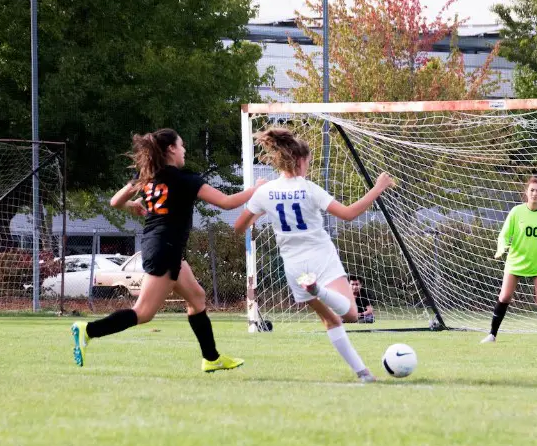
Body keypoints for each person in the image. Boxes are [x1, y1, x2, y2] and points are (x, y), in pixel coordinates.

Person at [70, 128, 265, 372]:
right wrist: (258, 189)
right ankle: (88, 331)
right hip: (165, 249)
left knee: (197, 298)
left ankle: (211, 358)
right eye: (181, 145)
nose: (184, 150)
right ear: (172, 149)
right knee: (143, 313)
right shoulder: (186, 179)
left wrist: (132, 204)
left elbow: (114, 201)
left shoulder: (148, 176)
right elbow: (226, 203)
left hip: (161, 246)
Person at [233, 128, 395, 382]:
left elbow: (240, 226)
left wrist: (261, 207)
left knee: (331, 320)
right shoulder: (309, 188)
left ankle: (363, 373)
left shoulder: (264, 192)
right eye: (308, 162)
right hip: (321, 255)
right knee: (351, 314)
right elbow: (348, 214)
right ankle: (318, 289)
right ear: (300, 161)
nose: (308, 167)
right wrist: (378, 188)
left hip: (294, 265)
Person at [482, 175, 537, 344]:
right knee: (504, 297)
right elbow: (504, 234)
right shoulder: (516, 212)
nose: (534, 193)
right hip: (515, 262)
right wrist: (501, 247)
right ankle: (492, 335)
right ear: (526, 192)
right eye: (531, 190)